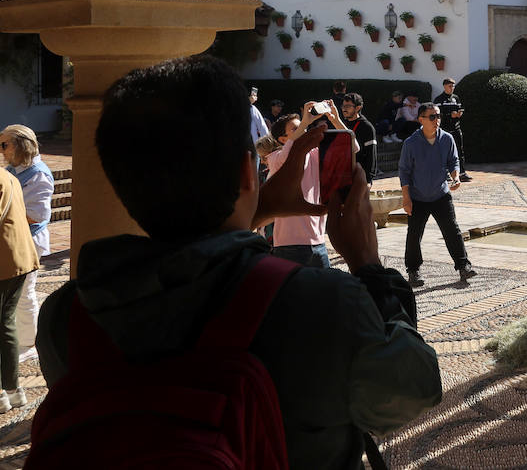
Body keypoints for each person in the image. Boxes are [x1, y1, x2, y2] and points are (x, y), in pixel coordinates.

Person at [35, 55, 442, 468]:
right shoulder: (322, 303)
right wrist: (369, 266)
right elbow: (414, 391)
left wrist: (256, 214)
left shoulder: (67, 316)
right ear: (248, 173)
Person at [399, 102, 477, 289]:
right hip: (418, 198)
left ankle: (463, 266)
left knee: (452, 231)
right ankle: (413, 271)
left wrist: (455, 177)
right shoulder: (411, 143)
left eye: (439, 116)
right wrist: (406, 198)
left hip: (441, 195)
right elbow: (404, 172)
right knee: (414, 234)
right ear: (421, 119)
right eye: (432, 117)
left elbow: (453, 161)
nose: (437, 120)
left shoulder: (447, 138)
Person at [265, 104, 351, 270]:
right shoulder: (276, 159)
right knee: (293, 296)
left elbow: (351, 148)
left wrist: (336, 120)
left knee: (323, 295)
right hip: (288, 245)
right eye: (297, 128)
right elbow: (289, 155)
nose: (305, 129)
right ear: (283, 140)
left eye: (304, 126)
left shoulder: (315, 155)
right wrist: (306, 121)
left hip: (318, 242)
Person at [0, 125, 48, 366]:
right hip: (12, 241)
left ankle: (30, 343)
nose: (1, 150)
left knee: (25, 293)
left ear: (20, 145)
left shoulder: (38, 174)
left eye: (4, 144)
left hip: (30, 241)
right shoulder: (13, 170)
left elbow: (38, 214)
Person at [0, 164, 37, 412]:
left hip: (4, 262)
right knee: (6, 322)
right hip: (18, 258)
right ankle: (13, 391)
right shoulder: (7, 175)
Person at [432, 78, 472, 182]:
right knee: (444, 151)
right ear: (444, 86)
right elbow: (436, 115)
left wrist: (459, 114)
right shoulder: (438, 99)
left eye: (453, 86)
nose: (452, 88)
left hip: (456, 128)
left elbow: (460, 109)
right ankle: (445, 173)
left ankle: (462, 173)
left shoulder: (456, 98)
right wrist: (450, 115)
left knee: (459, 150)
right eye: (450, 86)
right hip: (444, 130)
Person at [339, 93, 378, 183]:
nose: (344, 109)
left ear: (358, 107)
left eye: (348, 106)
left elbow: (371, 155)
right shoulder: (342, 124)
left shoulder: (367, 127)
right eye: (343, 106)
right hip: (343, 174)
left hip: (359, 176)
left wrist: (368, 180)